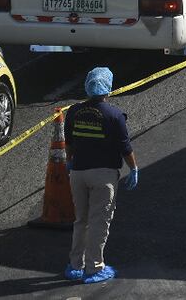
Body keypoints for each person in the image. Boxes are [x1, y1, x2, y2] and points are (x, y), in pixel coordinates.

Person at [63, 67, 139, 285]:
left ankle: (75, 265)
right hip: (103, 176)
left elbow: (69, 142)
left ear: (87, 85)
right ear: (109, 87)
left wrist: (70, 162)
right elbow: (125, 147)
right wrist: (133, 168)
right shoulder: (115, 115)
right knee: (99, 222)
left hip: (78, 173)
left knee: (81, 221)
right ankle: (94, 267)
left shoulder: (74, 111)